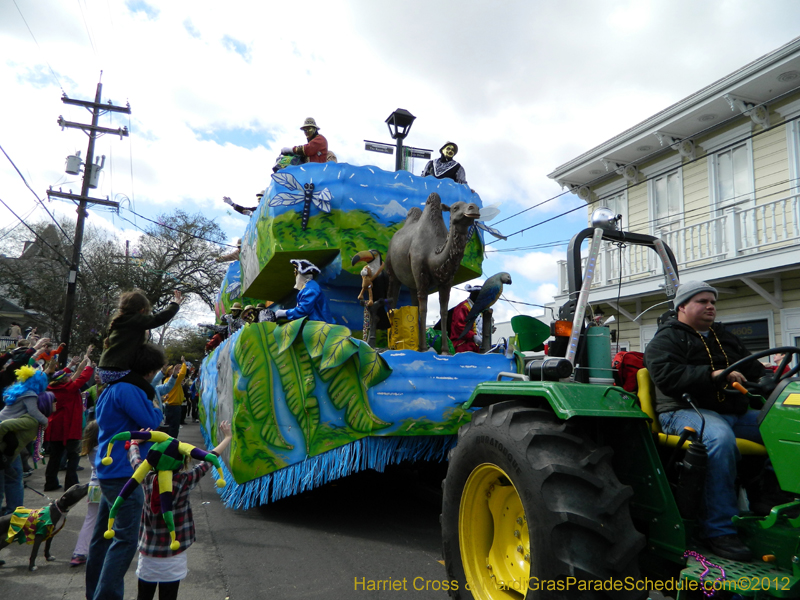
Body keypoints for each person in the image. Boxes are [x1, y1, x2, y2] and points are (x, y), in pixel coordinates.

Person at [644, 281, 766, 562]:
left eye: (713, 301)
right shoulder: (667, 339)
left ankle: (767, 498)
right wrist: (713, 375)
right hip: (683, 410)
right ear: (682, 306)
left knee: (782, 425)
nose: (710, 306)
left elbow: (754, 369)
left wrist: (771, 379)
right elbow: (666, 376)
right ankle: (719, 530)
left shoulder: (723, 337)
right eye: (702, 301)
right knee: (718, 439)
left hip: (732, 413)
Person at [85, 343, 166, 600]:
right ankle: (106, 596)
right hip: (124, 474)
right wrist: (155, 404)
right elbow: (153, 422)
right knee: (125, 540)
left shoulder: (111, 388)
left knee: (102, 539)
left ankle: (94, 591)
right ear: (150, 370)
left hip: (108, 472)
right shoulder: (130, 389)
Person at [128, 421, 232, 600]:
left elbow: (136, 460)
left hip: (148, 555)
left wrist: (135, 442)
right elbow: (209, 459)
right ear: (181, 462)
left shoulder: (145, 479)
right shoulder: (185, 480)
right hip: (174, 555)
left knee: (143, 596)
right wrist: (228, 437)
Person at [98, 289, 182, 390]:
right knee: (148, 390)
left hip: (104, 370)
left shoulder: (119, 321)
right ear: (142, 310)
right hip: (118, 370)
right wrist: (174, 304)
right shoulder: (135, 319)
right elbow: (158, 319)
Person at [0, 366, 52, 515]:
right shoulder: (30, 394)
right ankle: (15, 513)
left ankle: (13, 512)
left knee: (9, 478)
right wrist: (45, 421)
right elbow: (33, 411)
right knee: (13, 479)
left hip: (6, 431)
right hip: (6, 431)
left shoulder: (18, 391)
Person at [44, 345, 95, 491]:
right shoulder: (68, 388)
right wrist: (89, 365)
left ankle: (50, 483)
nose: (70, 377)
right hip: (69, 427)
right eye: (68, 376)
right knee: (73, 456)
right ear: (64, 380)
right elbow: (82, 377)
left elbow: (73, 376)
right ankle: (71, 483)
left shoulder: (53, 388)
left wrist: (82, 360)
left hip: (55, 428)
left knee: (55, 457)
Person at [70, 419, 101, 567]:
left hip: (94, 487)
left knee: (90, 520)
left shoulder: (91, 449)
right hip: (107, 487)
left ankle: (79, 552)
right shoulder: (106, 448)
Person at [274, 259, 335, 324]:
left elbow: (303, 310)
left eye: (295, 272)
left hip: (321, 326)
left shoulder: (311, 289)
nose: (295, 275)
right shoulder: (309, 287)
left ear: (301, 274)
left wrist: (285, 313)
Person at [449, 284, 482, 353]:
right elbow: (459, 326)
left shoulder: (479, 309)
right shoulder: (463, 307)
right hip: (462, 346)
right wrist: (473, 336)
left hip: (474, 347)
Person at [163, 359, 187, 439]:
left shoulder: (166, 380)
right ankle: (172, 444)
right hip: (175, 406)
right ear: (170, 373)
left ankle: (166, 443)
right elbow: (183, 373)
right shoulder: (174, 381)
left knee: (168, 426)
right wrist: (184, 363)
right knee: (174, 427)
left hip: (168, 405)